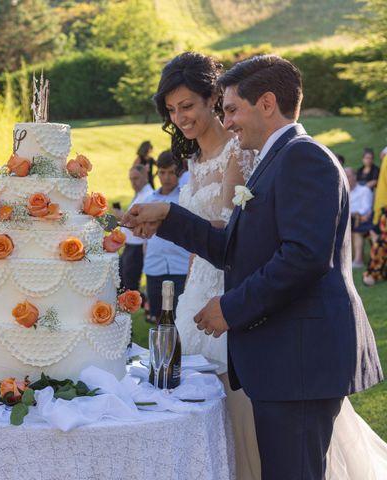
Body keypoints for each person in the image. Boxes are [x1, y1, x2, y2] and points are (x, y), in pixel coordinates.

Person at [124, 54, 384, 479]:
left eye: (231, 110)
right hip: (280, 359)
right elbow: (236, 247)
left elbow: (303, 258)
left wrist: (230, 308)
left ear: (266, 103)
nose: (226, 123)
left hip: (299, 358)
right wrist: (169, 218)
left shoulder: (304, 158)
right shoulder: (272, 159)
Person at [144, 52, 260, 479]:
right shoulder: (193, 161)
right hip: (195, 293)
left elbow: (234, 234)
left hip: (229, 294)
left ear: (213, 97)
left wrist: (169, 218)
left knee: (239, 422)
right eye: (172, 111)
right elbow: (197, 244)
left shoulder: (239, 152)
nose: (180, 118)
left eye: (187, 106)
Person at [143, 152, 189, 323]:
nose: (166, 177)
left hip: (180, 268)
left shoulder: (185, 199)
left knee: (179, 318)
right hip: (154, 268)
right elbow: (144, 239)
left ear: (178, 172)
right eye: (162, 172)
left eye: (171, 172)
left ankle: (177, 349)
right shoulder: (149, 200)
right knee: (157, 318)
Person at [117, 164, 153, 295]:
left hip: (137, 246)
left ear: (145, 176)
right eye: (131, 179)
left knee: (130, 284)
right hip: (129, 244)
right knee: (120, 281)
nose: (133, 182)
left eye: (136, 178)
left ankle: (140, 305)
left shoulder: (149, 195)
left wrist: (122, 216)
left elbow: (143, 222)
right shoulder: (140, 194)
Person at [346, 167, 374, 267]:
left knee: (356, 230)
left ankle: (358, 260)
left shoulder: (364, 190)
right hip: (348, 221)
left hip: (363, 220)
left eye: (348, 176)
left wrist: (354, 214)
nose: (345, 179)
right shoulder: (342, 194)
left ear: (355, 177)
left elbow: (366, 208)